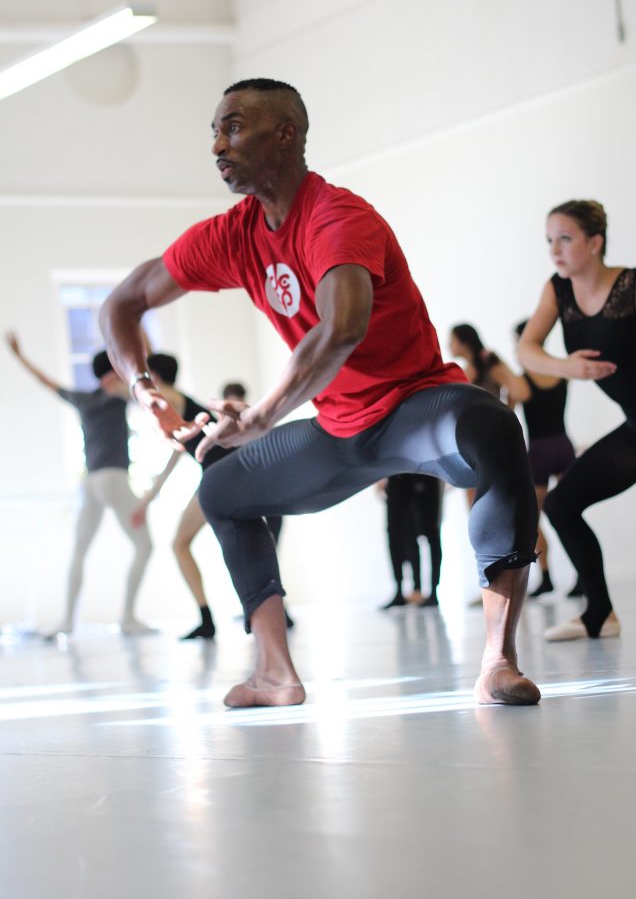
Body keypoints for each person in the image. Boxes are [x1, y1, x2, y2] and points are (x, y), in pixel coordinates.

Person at [100, 77, 541, 708]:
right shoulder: (234, 235)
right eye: (214, 132)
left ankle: (499, 660)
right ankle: (274, 671)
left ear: (285, 134)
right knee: (222, 489)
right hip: (340, 430)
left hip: (416, 408)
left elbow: (341, 331)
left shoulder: (338, 217)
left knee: (494, 426)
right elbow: (124, 301)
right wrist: (143, 389)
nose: (217, 146)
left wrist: (259, 416)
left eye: (232, 127)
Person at [518, 199, 636, 641]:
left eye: (566, 238)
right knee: (561, 505)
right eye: (550, 240)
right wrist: (564, 366)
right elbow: (527, 348)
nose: (555, 249)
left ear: (594, 242)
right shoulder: (559, 291)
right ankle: (599, 613)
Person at [5, 331, 154, 636]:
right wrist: (139, 332)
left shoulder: (85, 399)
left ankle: (67, 622)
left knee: (79, 549)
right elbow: (146, 370)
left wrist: (19, 355)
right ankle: (127, 618)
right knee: (144, 544)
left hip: (89, 483)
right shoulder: (116, 397)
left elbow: (46, 382)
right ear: (111, 371)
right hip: (112, 476)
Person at [134, 363, 294, 638]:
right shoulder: (185, 418)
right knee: (221, 546)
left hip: (220, 478)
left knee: (186, 544)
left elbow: (154, 393)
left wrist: (133, 376)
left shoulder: (172, 397)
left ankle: (213, 618)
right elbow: (172, 462)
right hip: (224, 476)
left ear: (157, 378)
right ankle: (255, 614)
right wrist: (148, 497)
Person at [512, 320, 578, 598]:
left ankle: (547, 576)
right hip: (564, 447)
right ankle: (582, 576)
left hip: (539, 451)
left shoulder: (522, 379)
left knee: (532, 520)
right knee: (571, 514)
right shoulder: (560, 372)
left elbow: (507, 414)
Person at [379, 474, 444, 608]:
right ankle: (403, 590)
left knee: (431, 531)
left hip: (426, 471)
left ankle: (432, 591)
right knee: (396, 531)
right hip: (397, 473)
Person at [449, 324, 528, 405]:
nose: (448, 345)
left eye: (452, 340)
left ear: (465, 342)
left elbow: (521, 393)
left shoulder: (489, 367)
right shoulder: (462, 373)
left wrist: (500, 361)